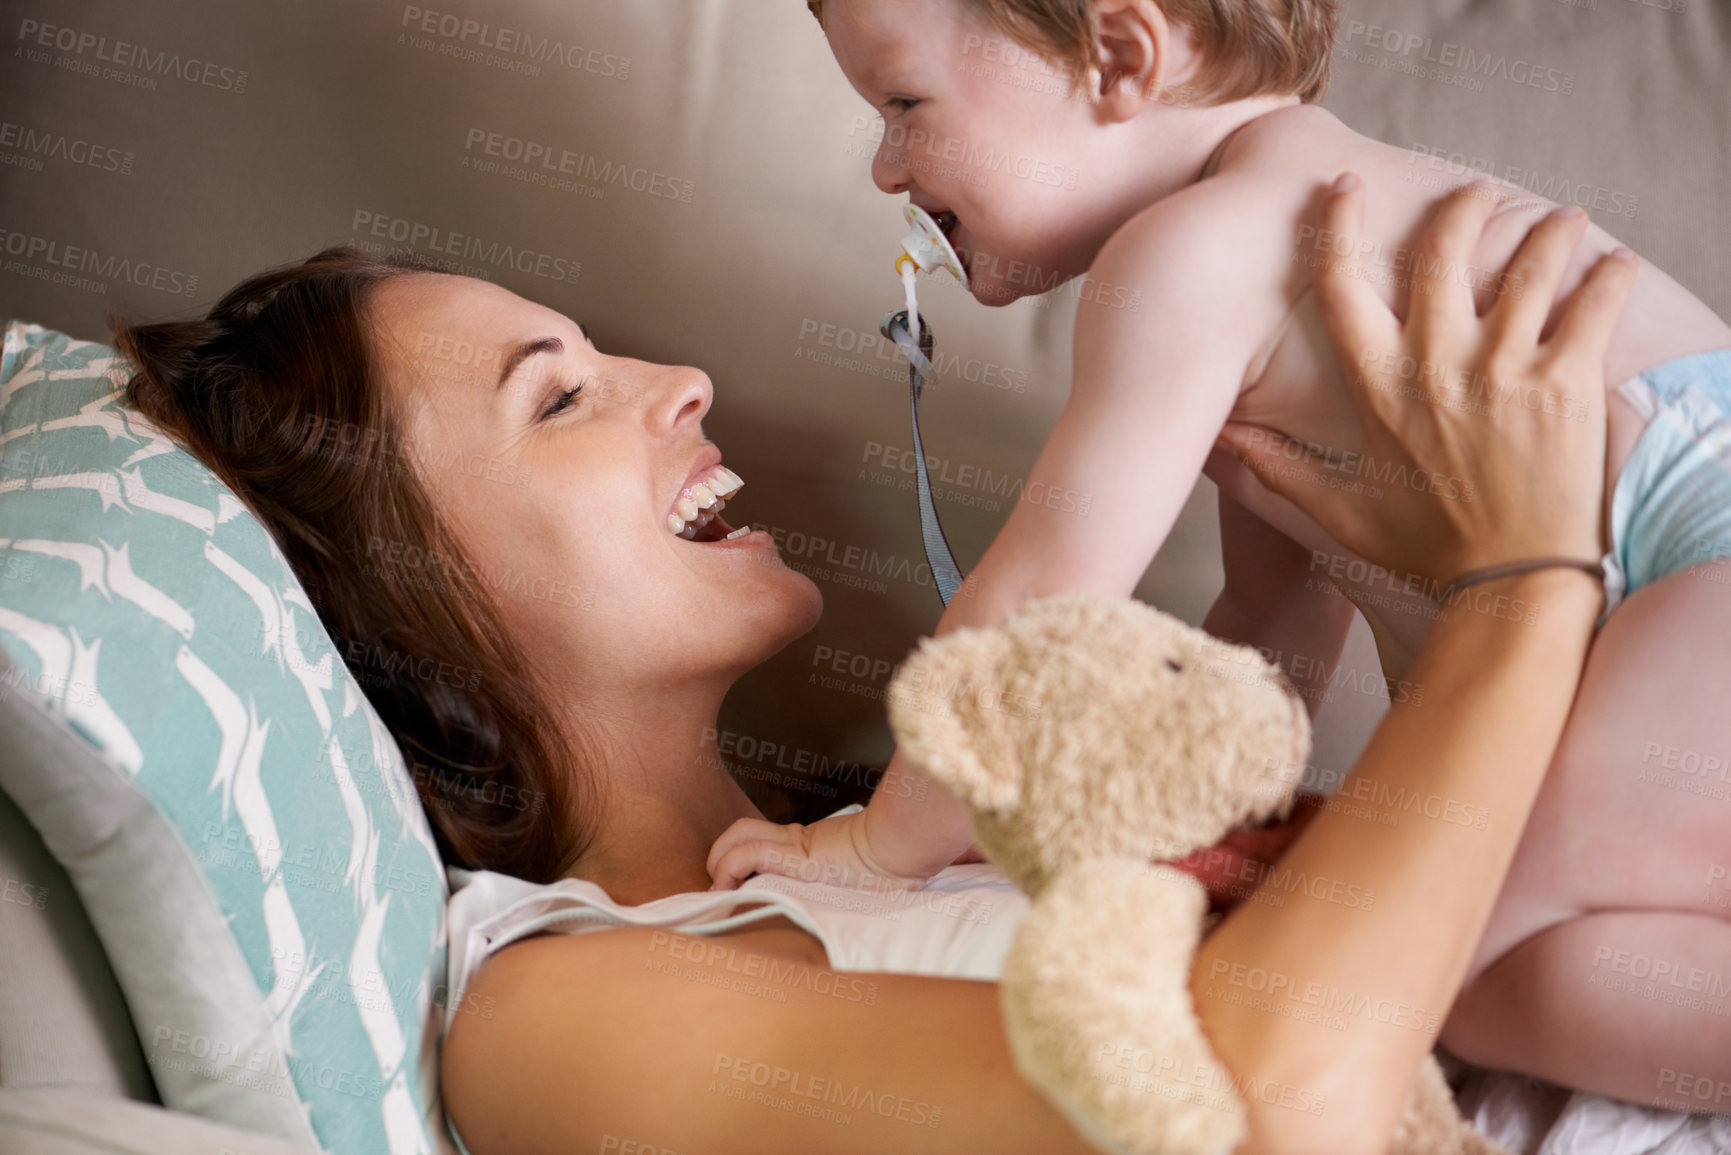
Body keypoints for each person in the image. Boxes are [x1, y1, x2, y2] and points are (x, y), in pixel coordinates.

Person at [114, 181, 1630, 1155]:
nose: (681, 378)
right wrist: (1519, 580)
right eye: (558, 393)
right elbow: (1253, 1114)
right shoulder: (546, 1012)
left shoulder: (909, 827)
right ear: (405, 585)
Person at [712, 0, 1731, 1107]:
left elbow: (1037, 607)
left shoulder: (1185, 254)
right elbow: (1273, 622)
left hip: (1703, 553)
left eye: (904, 103)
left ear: (1118, 54)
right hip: (1675, 610)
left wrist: (883, 847)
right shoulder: (1282, 222)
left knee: (1417, 945)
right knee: (1512, 994)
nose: (886, 168)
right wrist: (1182, 824)